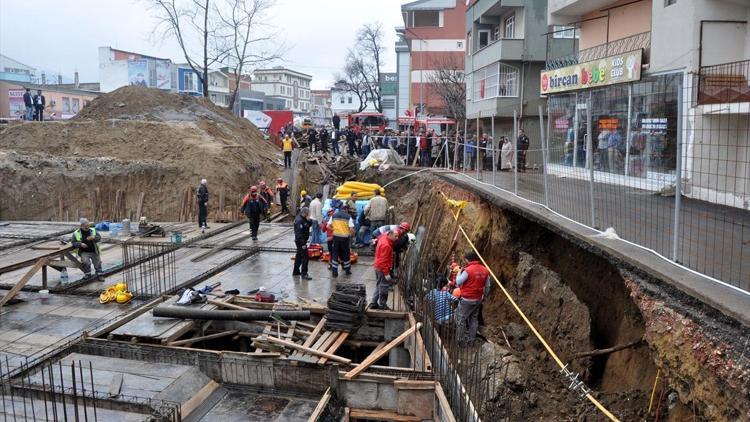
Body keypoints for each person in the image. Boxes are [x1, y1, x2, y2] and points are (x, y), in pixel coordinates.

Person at [455, 251, 491, 345]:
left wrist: (459, 272)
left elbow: (458, 282)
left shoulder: (468, 270)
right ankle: (471, 341)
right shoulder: (485, 270)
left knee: (461, 320)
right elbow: (487, 286)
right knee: (474, 319)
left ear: (468, 260)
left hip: (467, 299)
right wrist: (484, 296)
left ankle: (461, 341)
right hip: (478, 299)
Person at [369, 229, 399, 310]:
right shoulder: (386, 246)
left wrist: (375, 240)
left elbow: (379, 237)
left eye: (397, 236)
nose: (397, 238)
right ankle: (382, 305)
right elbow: (383, 261)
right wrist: (386, 273)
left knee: (379, 285)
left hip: (377, 266)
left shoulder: (384, 237)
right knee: (384, 287)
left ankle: (373, 303)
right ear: (390, 234)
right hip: (382, 268)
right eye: (395, 236)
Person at [329, 202, 354, 277]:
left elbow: (328, 226)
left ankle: (334, 271)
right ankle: (347, 270)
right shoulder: (348, 217)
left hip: (336, 237)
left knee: (335, 253)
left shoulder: (334, 215)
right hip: (345, 238)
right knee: (346, 254)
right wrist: (352, 235)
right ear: (346, 210)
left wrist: (334, 230)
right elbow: (352, 229)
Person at [293, 207, 313, 280]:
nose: (309, 215)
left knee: (299, 256)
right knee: (305, 257)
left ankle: (296, 271)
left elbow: (308, 224)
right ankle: (304, 274)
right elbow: (298, 234)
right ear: (305, 213)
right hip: (301, 242)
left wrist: (309, 220)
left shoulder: (303, 218)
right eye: (308, 214)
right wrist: (303, 244)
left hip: (302, 241)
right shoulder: (299, 220)